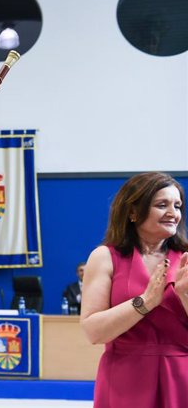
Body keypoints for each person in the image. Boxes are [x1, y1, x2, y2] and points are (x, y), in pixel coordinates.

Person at [80, 172, 188, 408]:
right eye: (162, 205)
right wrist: (145, 302)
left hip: (183, 379)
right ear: (132, 212)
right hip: (125, 380)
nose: (173, 213)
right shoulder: (105, 257)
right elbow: (93, 332)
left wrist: (184, 296)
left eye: (177, 206)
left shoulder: (187, 260)